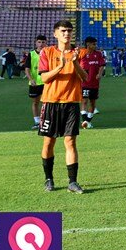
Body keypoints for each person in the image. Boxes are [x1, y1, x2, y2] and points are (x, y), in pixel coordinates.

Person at [37, 20, 88, 194]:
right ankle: (49, 179)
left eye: (69, 31)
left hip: (71, 103)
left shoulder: (79, 53)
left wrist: (73, 63)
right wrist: (60, 66)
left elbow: (85, 77)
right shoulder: (47, 52)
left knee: (70, 141)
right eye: (63, 30)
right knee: (49, 141)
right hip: (51, 103)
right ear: (55, 33)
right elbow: (44, 79)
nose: (67, 34)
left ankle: (72, 182)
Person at [80, 37, 106, 128]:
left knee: (93, 103)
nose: (96, 46)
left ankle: (87, 121)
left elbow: (102, 65)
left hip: (95, 83)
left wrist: (99, 73)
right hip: (85, 83)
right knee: (84, 101)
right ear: (88, 44)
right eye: (94, 44)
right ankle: (85, 122)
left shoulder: (98, 54)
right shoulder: (82, 53)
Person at [24, 36, 48, 130]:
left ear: (46, 43)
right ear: (36, 43)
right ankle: (37, 122)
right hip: (35, 83)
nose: (41, 44)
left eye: (43, 42)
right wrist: (30, 79)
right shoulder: (31, 54)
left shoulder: (49, 53)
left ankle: (45, 121)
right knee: (35, 103)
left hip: (46, 82)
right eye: (39, 42)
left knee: (46, 103)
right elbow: (27, 69)